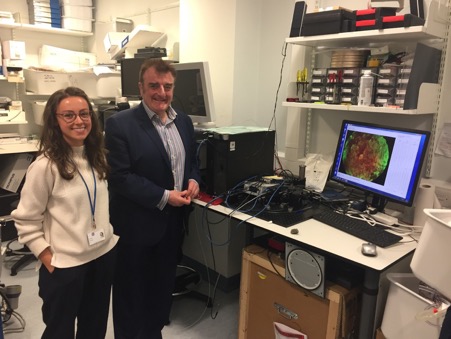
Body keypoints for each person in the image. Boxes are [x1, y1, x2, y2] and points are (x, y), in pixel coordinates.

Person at [104, 58, 201, 338]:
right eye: (154, 85)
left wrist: (194, 179)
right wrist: (164, 196)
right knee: (130, 295)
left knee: (160, 291)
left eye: (167, 86)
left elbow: (192, 160)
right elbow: (120, 177)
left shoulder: (183, 121)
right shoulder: (120, 125)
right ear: (140, 87)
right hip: (135, 227)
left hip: (171, 226)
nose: (161, 92)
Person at [11, 87, 118, 339]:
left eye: (84, 113)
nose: (79, 121)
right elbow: (26, 220)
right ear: (54, 121)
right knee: (60, 332)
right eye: (68, 115)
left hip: (101, 257)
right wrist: (48, 257)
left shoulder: (97, 157)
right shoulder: (45, 166)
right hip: (65, 266)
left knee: (94, 329)